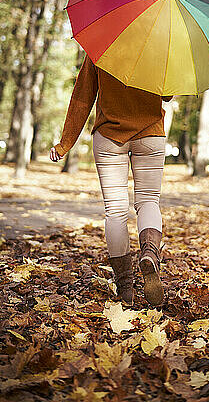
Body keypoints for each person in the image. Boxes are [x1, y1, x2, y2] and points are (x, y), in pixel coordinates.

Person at [50, 54, 173, 308]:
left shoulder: (102, 43)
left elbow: (83, 96)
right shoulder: (161, 42)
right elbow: (168, 94)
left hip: (109, 137)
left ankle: (125, 286)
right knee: (148, 201)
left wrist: (65, 143)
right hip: (150, 133)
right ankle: (149, 253)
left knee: (115, 212)